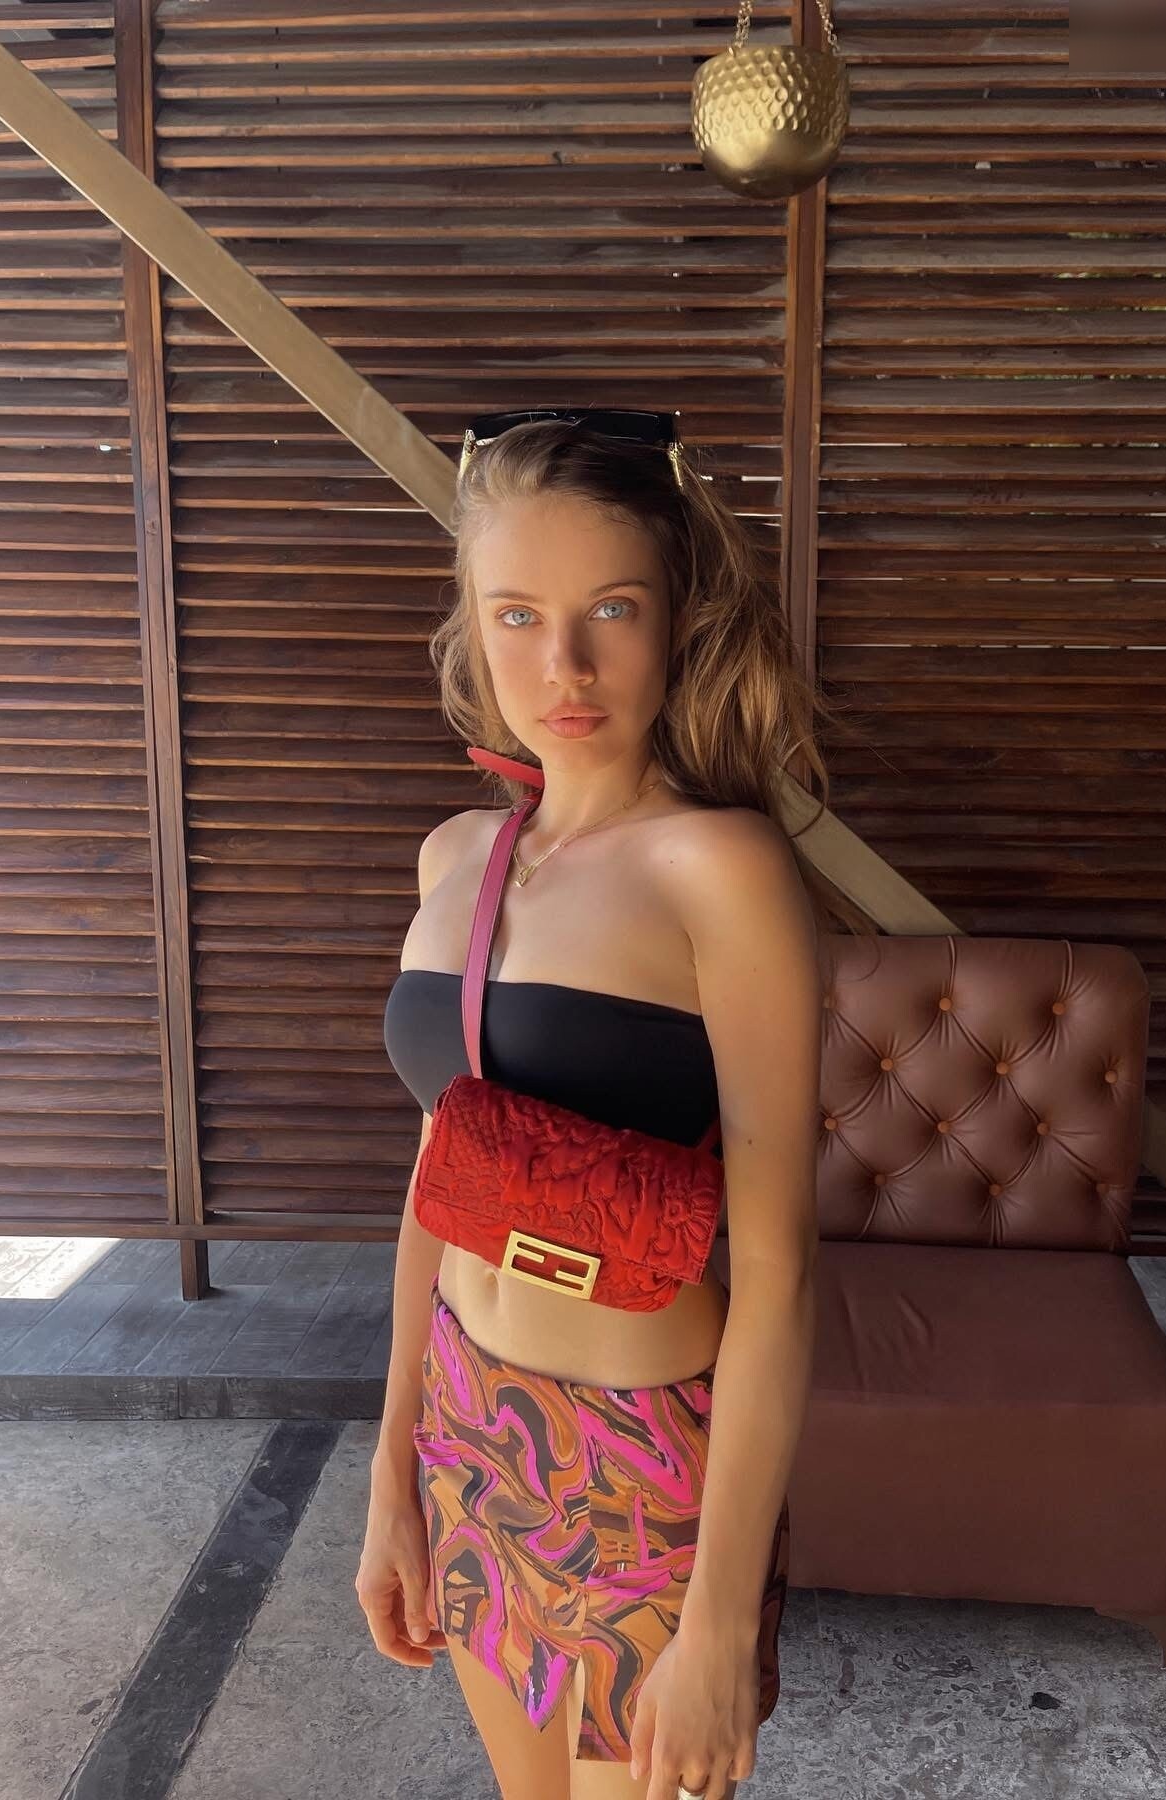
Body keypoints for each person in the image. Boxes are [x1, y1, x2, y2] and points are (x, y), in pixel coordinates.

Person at [357, 407, 878, 1800]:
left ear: (678, 617)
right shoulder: (455, 859)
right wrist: (393, 1466)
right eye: (518, 616)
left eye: (611, 611)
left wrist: (719, 1617)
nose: (566, 667)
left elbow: (783, 1272)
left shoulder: (721, 870)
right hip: (469, 1423)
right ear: (473, 628)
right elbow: (437, 1190)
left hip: (641, 1467)